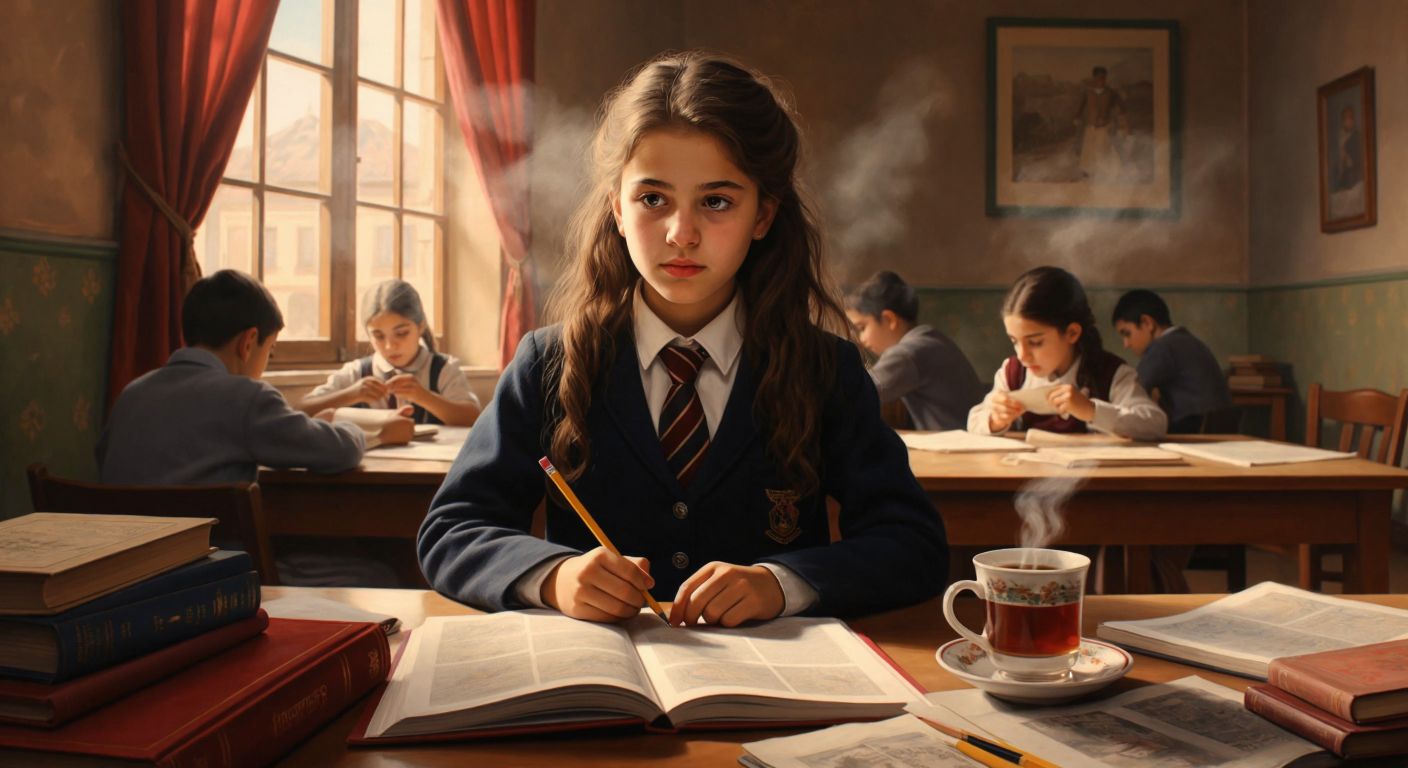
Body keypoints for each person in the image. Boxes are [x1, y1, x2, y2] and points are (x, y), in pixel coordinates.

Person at [418, 51, 949, 627]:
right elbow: (452, 530)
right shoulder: (549, 363)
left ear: (763, 216)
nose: (682, 234)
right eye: (653, 200)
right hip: (599, 689)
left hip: (776, 695)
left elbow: (913, 544)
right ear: (617, 209)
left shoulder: (826, 370)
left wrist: (784, 583)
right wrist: (552, 576)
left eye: (717, 201)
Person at [98, 269, 405, 586]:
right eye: (269, 349)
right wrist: (350, 428)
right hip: (216, 577)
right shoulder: (246, 398)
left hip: (127, 579)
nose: (265, 361)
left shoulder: (131, 394)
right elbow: (340, 451)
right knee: (380, 572)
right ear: (248, 343)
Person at [967, 266, 1167, 441]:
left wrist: (1091, 410)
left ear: (1072, 333)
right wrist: (995, 419)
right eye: (1014, 341)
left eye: (1035, 342)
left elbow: (1155, 424)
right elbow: (974, 421)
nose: (1022, 355)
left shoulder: (1110, 372)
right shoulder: (1012, 373)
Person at [300, 279, 480, 426]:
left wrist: (423, 396)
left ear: (421, 326)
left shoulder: (444, 369)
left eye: (401, 333)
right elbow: (301, 411)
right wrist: (351, 394)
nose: (389, 346)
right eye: (378, 336)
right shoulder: (356, 372)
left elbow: (473, 418)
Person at [844, 271, 984, 431]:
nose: (861, 339)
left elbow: (855, 392)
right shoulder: (930, 339)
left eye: (862, 328)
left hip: (959, 447)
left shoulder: (908, 353)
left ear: (889, 319)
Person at [1111, 289, 1231, 434]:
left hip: (1191, 432)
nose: (1126, 344)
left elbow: (1133, 391)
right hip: (1214, 429)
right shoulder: (1186, 340)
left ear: (1147, 323)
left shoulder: (1162, 347)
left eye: (1127, 333)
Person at [1073, 66, 1126, 181]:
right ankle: (1087, 171)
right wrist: (1077, 116)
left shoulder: (1111, 93)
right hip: (1090, 125)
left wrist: (1117, 119)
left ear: (1105, 78)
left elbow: (1121, 107)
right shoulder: (1087, 92)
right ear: (1094, 78)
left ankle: (1104, 171)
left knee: (1102, 148)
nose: (1101, 80)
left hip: (1104, 126)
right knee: (1088, 148)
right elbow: (1081, 105)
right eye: (1098, 77)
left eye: (1103, 78)